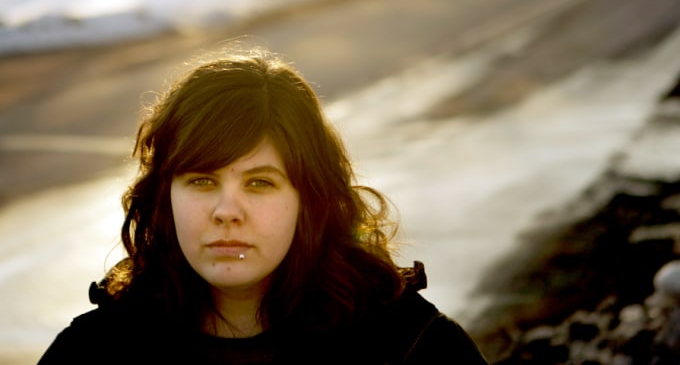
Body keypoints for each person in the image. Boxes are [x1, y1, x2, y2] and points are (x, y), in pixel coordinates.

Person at [38, 48, 487, 364]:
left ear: (308, 198)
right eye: (201, 179)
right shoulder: (96, 352)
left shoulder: (408, 347)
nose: (226, 210)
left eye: (259, 183)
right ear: (163, 197)